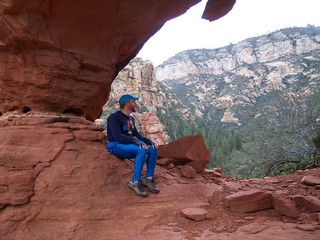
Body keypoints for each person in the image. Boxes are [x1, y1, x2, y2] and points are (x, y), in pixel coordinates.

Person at [106, 94, 160, 197]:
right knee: (141, 149)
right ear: (127, 104)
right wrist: (135, 141)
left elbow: (136, 134)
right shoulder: (114, 118)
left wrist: (149, 141)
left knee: (153, 148)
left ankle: (148, 179)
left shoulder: (130, 118)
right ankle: (135, 182)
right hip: (115, 145)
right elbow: (117, 136)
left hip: (128, 144)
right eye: (133, 102)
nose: (135, 104)